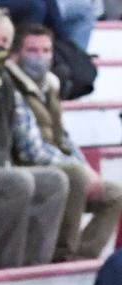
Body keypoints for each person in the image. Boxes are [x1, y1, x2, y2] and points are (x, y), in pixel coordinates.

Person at [0, 7, 69, 269]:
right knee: (19, 182)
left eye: (4, 42)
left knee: (55, 180)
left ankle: (35, 264)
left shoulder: (3, 78)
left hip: (0, 162)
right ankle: (4, 265)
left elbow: (11, 134)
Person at [8, 23, 122, 263]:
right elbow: (31, 151)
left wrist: (84, 166)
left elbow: (64, 138)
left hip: (57, 162)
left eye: (46, 51)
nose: (41, 57)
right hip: (24, 166)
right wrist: (79, 169)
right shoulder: (12, 88)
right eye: (33, 51)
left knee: (114, 194)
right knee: (75, 175)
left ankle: (83, 258)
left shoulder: (50, 85)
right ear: (16, 53)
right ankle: (62, 254)